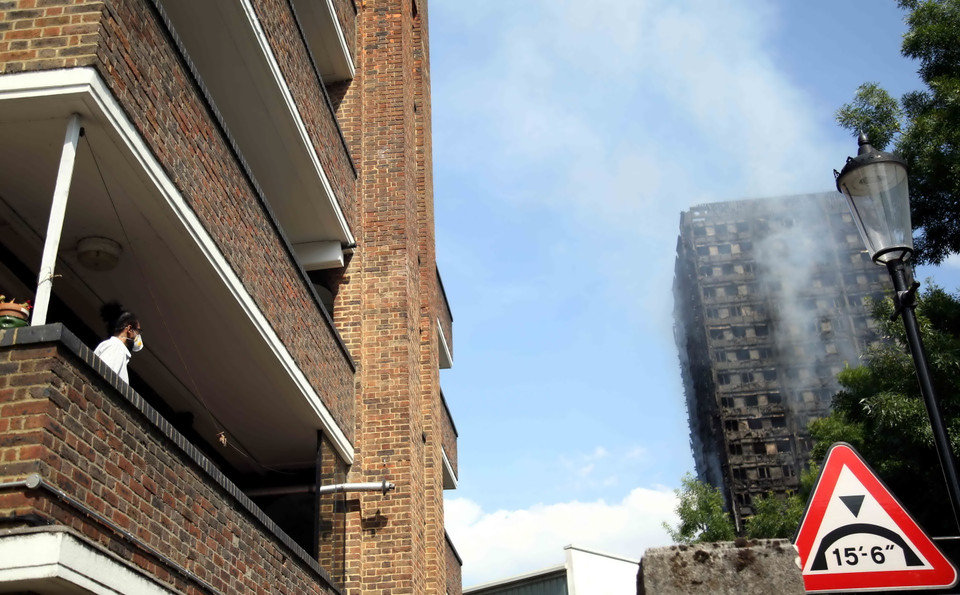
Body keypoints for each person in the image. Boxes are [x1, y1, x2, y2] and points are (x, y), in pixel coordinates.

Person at [94, 302, 143, 383]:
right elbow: (101, 379)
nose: (138, 337)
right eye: (138, 331)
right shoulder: (117, 348)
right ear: (130, 329)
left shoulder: (116, 348)